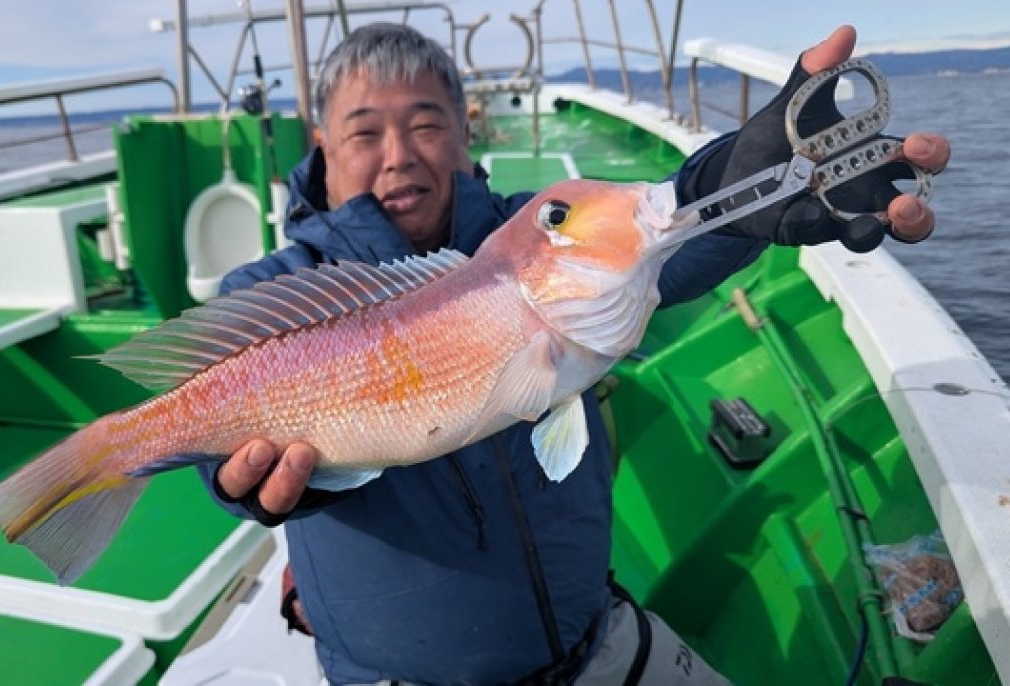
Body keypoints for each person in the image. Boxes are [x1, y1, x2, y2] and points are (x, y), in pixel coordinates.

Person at [202, 22, 951, 685]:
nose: (398, 157)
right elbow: (212, 427)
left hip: (598, 639)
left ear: (468, 134)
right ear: (322, 149)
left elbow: (655, 248)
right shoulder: (273, 290)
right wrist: (240, 478)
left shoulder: (527, 233)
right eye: (365, 132)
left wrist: (732, 186)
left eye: (426, 124)